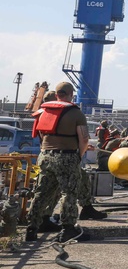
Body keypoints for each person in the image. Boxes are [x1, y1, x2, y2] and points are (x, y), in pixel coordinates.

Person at [24, 82, 90, 242]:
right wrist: (79, 156)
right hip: (66, 157)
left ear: (57, 94)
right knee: (69, 193)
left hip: (45, 156)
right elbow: (84, 139)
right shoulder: (75, 113)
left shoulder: (43, 111)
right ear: (70, 94)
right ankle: (68, 229)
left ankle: (32, 228)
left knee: (42, 193)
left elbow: (40, 136)